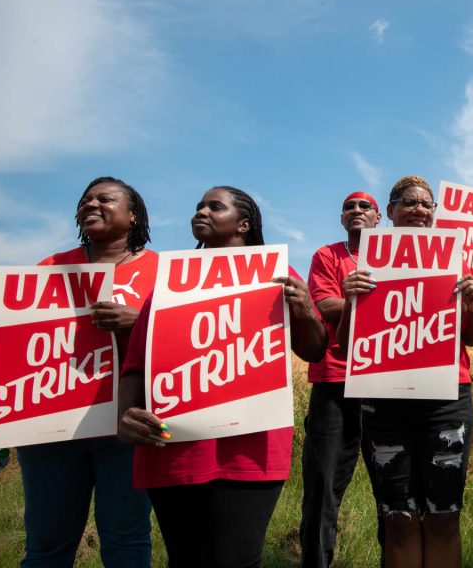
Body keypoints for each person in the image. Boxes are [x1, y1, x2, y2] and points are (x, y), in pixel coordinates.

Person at [117, 186, 327, 568]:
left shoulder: (277, 275)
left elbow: (313, 351)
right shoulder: (168, 283)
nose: (201, 212)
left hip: (250, 451)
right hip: (174, 450)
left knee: (236, 560)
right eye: (198, 206)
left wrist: (307, 312)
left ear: (244, 224)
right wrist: (125, 414)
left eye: (215, 206)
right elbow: (136, 363)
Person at [0, 176, 157, 567]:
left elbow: (182, 344)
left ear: (133, 215)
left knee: (126, 540)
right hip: (52, 429)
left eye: (105, 199)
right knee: (47, 544)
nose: (91, 204)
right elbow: (14, 352)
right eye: (86, 200)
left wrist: (139, 321)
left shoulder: (160, 272)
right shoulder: (51, 268)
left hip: (124, 428)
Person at [337, 175, 473, 568]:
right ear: (390, 211)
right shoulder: (370, 264)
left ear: (435, 213)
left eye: (426, 204)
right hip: (384, 402)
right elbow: (347, 348)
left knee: (444, 515)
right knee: (398, 517)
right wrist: (350, 301)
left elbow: (471, 336)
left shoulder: (455, 259)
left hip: (447, 401)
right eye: (408, 202)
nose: (418, 209)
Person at [300, 191, 384, 568]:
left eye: (365, 206)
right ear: (341, 219)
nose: (356, 210)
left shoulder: (398, 255)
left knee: (392, 488)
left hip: (386, 381)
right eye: (349, 206)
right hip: (335, 379)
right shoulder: (327, 255)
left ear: (379, 217)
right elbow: (324, 305)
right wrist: (376, 300)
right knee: (322, 485)